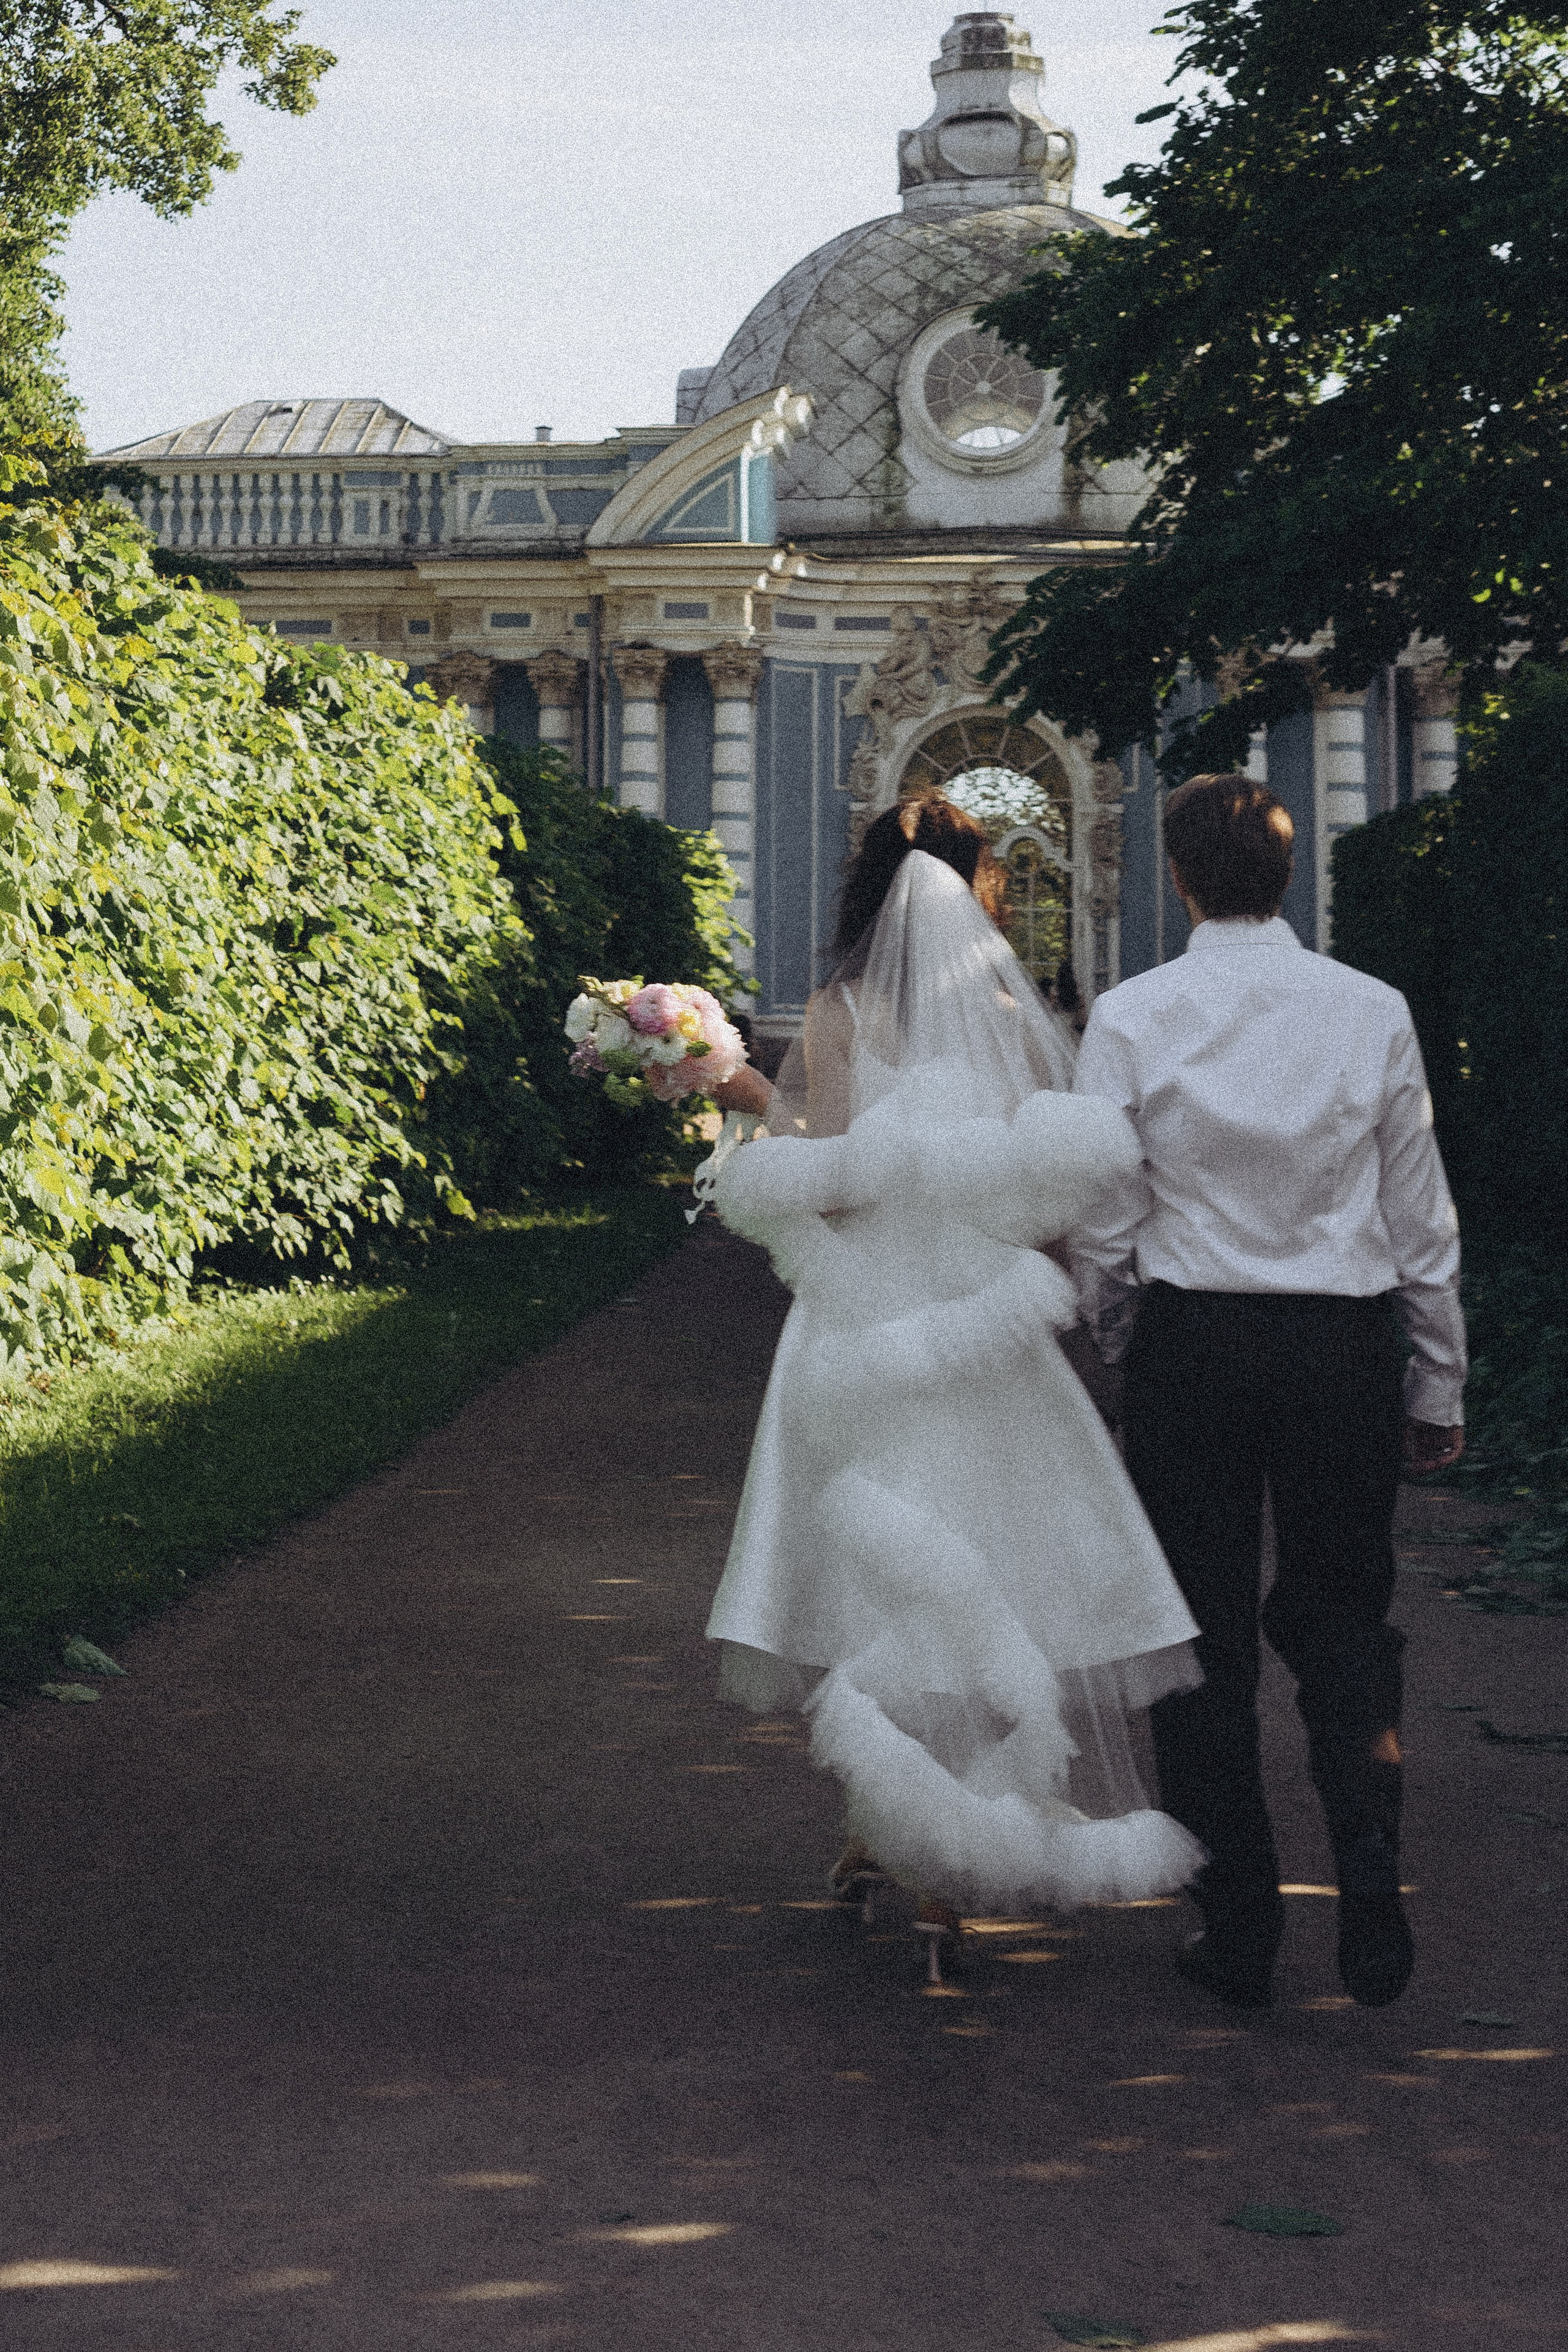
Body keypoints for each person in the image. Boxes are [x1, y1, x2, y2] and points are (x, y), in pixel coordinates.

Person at [707, 794, 1204, 1980]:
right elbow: (1046, 1190)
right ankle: (913, 1847)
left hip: (860, 1325)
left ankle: (901, 1850)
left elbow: (818, 1182)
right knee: (976, 1566)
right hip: (977, 1330)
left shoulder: (838, 1009)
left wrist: (736, 1095)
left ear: (867, 885)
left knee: (875, 1577)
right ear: (978, 888)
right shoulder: (1007, 1015)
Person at [1070, 774, 1466, 2012]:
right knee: (1346, 1620)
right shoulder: (1370, 1010)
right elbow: (1417, 1213)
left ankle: (1236, 1923)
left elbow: (1102, 1213)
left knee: (1197, 1639)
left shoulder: (1133, 1016)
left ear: (1178, 878)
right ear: (1287, 876)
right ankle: (1366, 1865)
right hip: (1341, 1347)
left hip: (1193, 1346)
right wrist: (1436, 1376)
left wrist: (1120, 1335)